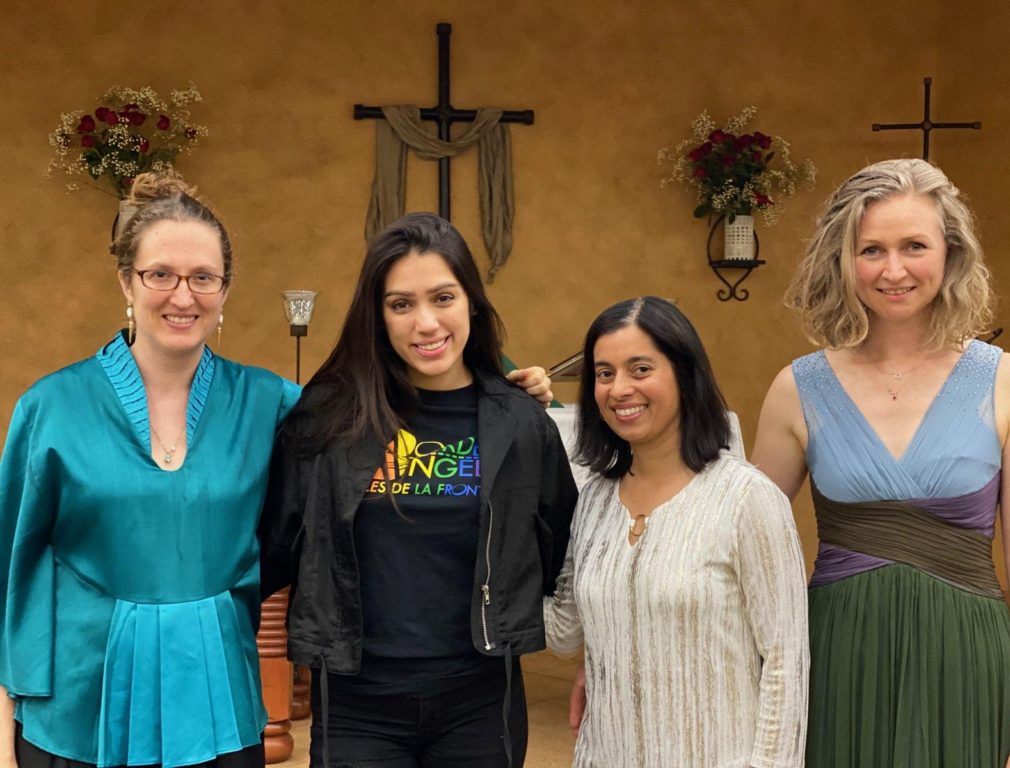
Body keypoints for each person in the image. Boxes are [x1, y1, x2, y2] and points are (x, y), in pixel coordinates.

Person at [0, 182, 554, 768]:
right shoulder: (51, 407)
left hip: (214, 689)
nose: (182, 296)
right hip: (84, 692)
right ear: (127, 283)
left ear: (225, 290)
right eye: (159, 274)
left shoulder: (272, 403)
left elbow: (397, 415)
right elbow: (13, 564)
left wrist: (507, 394)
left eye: (202, 277)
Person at [258, 212, 578, 768]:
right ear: (377, 317)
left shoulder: (521, 425)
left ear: (472, 303)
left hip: (479, 701)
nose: (426, 323)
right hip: (358, 702)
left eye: (443, 298)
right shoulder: (330, 419)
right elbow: (273, 546)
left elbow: (561, 552)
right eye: (401, 304)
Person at [751, 158, 1010, 767]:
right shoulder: (797, 389)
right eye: (870, 249)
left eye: (914, 246)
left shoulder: (1009, 383)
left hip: (969, 661)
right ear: (842, 261)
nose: (893, 269)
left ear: (951, 254)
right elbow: (740, 550)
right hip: (837, 659)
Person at [544, 296, 809, 767]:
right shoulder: (595, 501)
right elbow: (564, 631)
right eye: (604, 373)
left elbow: (785, 664)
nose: (619, 388)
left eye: (640, 369)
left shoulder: (746, 498)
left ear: (685, 376)